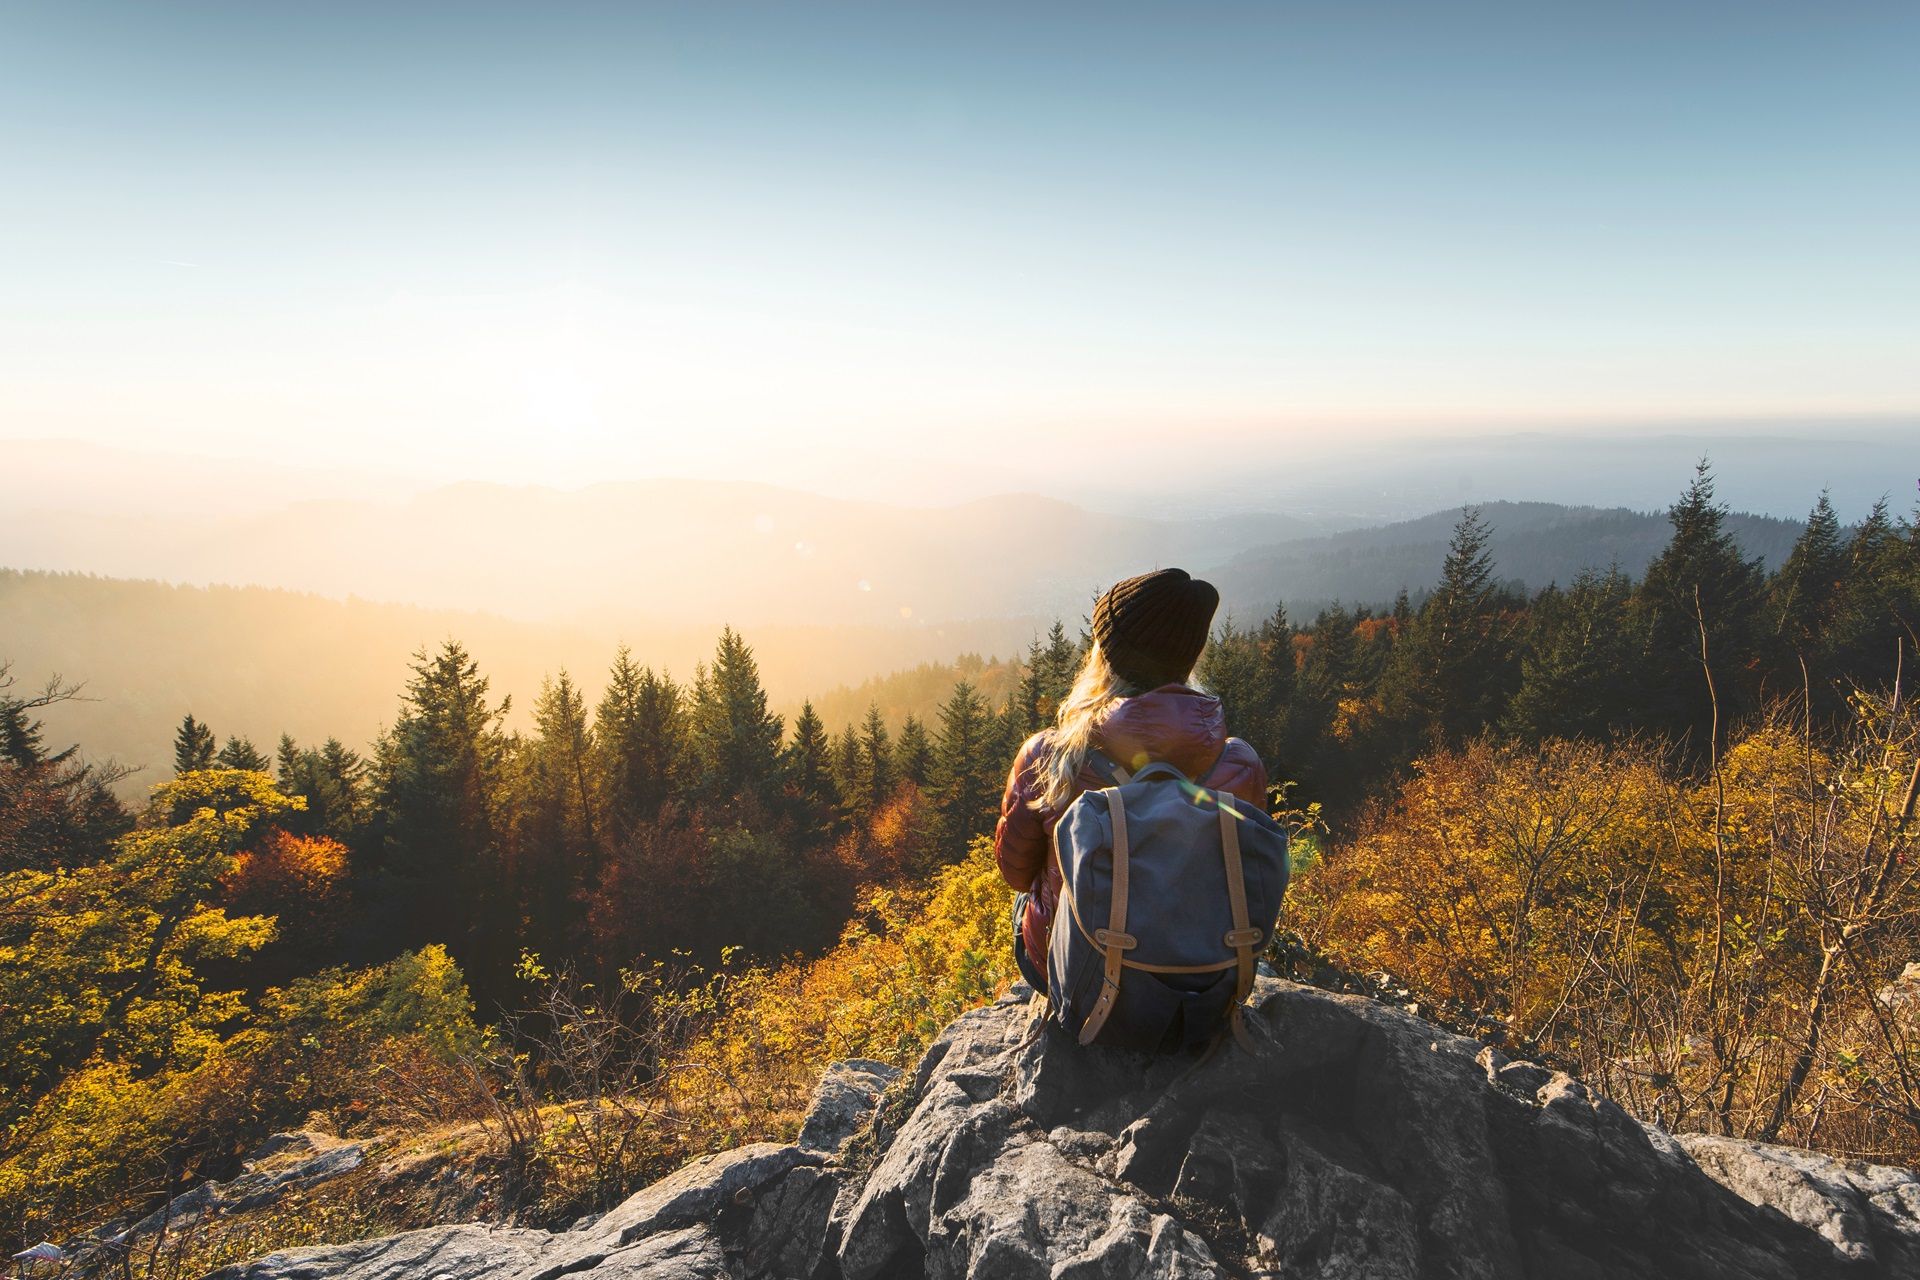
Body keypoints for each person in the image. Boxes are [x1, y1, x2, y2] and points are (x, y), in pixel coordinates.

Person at [994, 567, 1269, 992]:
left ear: (1105, 657)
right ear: (1189, 659)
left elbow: (1015, 872)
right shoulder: (1239, 763)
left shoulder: (1052, 756)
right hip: (1204, 981)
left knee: (1024, 899)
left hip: (1081, 983)